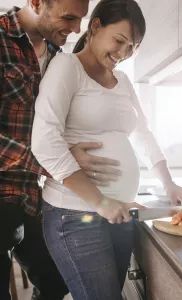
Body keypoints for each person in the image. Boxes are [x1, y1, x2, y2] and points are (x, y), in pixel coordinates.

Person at [31, 0, 182, 299]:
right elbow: (44, 140)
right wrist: (101, 202)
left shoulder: (124, 81)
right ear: (95, 27)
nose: (123, 53)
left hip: (119, 213)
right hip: (75, 214)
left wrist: (169, 183)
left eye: (132, 47)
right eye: (119, 41)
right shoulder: (67, 66)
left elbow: (142, 133)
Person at [0, 1, 124, 299]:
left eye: (80, 19)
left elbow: (51, 129)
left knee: (57, 283)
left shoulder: (58, 58)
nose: (76, 29)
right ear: (36, 3)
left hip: (30, 197)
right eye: (68, 18)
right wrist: (57, 162)